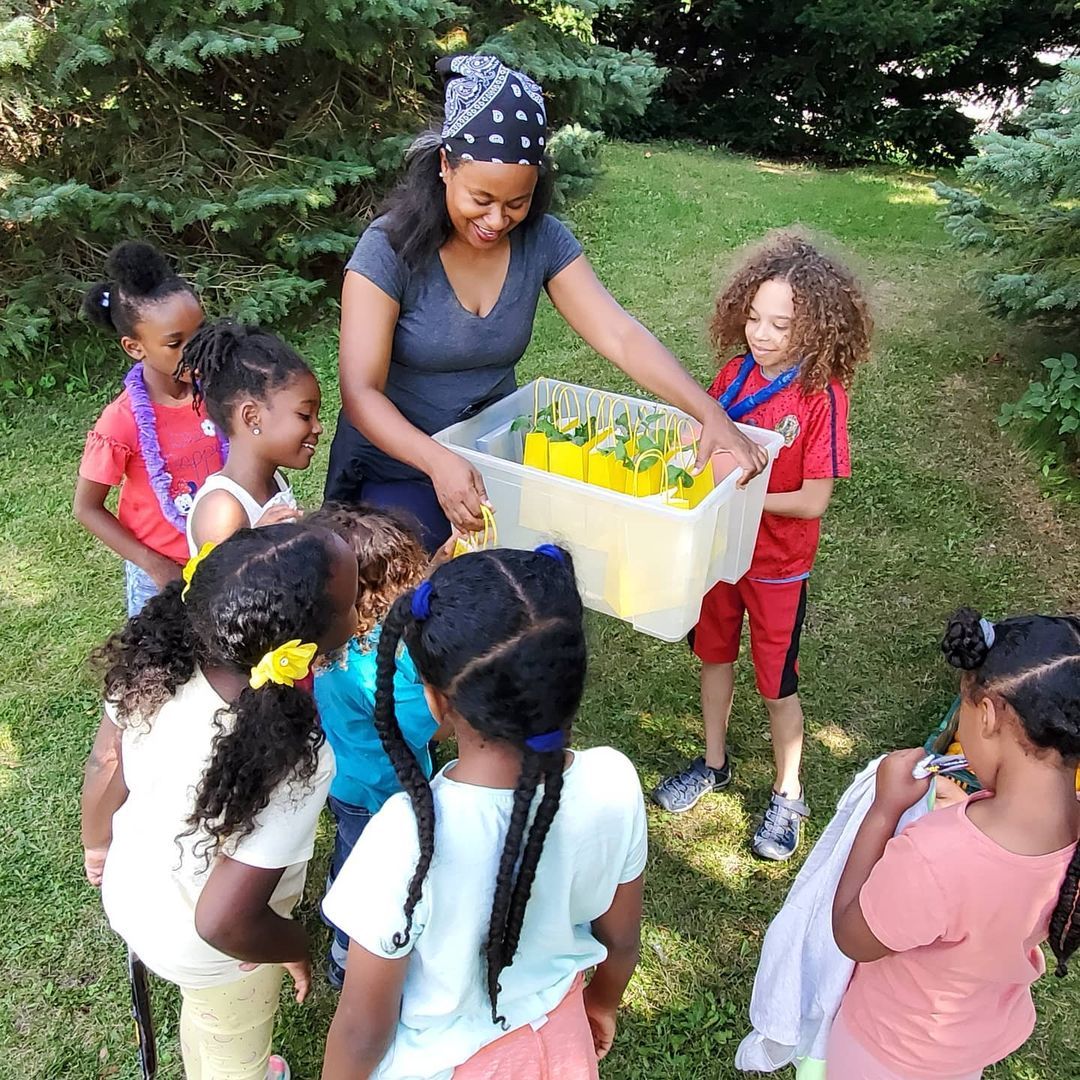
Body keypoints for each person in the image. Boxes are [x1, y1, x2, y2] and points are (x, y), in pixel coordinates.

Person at [327, 53, 767, 551]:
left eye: (516, 203)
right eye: (481, 199)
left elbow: (619, 335)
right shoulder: (388, 249)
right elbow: (361, 393)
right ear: (446, 166)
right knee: (414, 605)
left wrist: (708, 413)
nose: (496, 220)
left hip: (492, 460)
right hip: (396, 469)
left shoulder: (542, 240)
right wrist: (436, 460)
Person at [321, 546, 647, 1079]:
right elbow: (621, 941)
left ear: (435, 700)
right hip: (560, 1042)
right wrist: (602, 1003)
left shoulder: (406, 838)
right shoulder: (614, 781)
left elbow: (362, 1031)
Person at [80, 523, 359, 1080]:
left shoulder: (152, 667)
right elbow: (224, 918)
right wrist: (292, 946)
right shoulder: (292, 759)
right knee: (234, 1048)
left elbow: (104, 764)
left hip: (135, 891)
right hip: (219, 948)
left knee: (206, 1014)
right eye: (349, 606)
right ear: (300, 643)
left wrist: (96, 843)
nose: (357, 616)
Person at [652, 231, 873, 862]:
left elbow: (812, 500)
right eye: (754, 317)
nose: (762, 334)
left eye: (782, 324)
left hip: (777, 568)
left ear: (818, 329)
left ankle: (787, 793)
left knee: (776, 685)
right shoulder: (730, 375)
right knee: (714, 658)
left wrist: (742, 497)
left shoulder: (821, 398)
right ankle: (714, 764)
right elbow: (707, 445)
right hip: (723, 557)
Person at [829, 608, 1080, 1079]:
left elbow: (852, 935)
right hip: (965, 1049)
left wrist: (883, 811)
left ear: (986, 715)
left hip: (885, 1052)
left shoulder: (934, 857)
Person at [306, 503, 440, 990]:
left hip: (344, 780)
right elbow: (425, 726)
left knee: (348, 850)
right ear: (375, 594)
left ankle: (334, 896)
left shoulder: (326, 635)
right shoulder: (382, 663)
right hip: (385, 794)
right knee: (375, 875)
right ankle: (346, 954)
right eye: (402, 581)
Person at [73, 241, 226, 615]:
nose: (196, 350)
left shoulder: (221, 391)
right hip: (161, 573)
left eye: (201, 331)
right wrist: (154, 563)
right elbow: (86, 508)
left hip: (227, 554)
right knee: (166, 663)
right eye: (175, 343)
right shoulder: (121, 421)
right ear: (134, 347)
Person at [178, 319, 320, 554]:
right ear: (252, 416)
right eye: (305, 415)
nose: (317, 428)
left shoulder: (276, 480)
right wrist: (258, 543)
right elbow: (222, 587)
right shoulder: (222, 510)